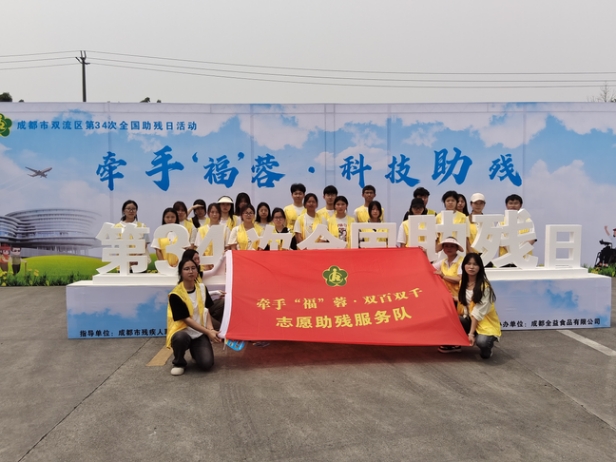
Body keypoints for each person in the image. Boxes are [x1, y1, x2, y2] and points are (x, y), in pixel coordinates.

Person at [166, 255, 222, 376]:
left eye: (193, 268)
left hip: (199, 333)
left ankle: (196, 353)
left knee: (207, 364)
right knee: (180, 338)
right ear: (181, 272)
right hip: (183, 331)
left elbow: (206, 310)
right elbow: (186, 320)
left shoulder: (202, 288)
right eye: (186, 269)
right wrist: (208, 332)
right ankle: (179, 363)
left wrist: (211, 329)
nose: (191, 271)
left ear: (197, 270)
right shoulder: (175, 294)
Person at [453, 253, 501, 359]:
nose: (471, 267)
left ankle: (487, 348)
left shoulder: (485, 287)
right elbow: (464, 301)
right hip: (470, 319)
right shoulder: (462, 283)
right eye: (468, 264)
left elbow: (477, 312)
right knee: (453, 320)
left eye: (475, 264)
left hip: (485, 323)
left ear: (480, 267)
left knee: (482, 343)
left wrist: (471, 334)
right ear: (464, 266)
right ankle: (455, 344)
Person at [433, 236, 465, 354]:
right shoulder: (444, 262)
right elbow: (429, 268)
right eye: (446, 246)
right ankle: (450, 342)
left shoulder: (461, 261)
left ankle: (456, 343)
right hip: (447, 297)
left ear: (457, 248)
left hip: (458, 297)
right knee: (447, 320)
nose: (449, 248)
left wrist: (443, 276)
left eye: (452, 246)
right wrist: (423, 253)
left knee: (456, 320)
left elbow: (459, 279)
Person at [115, 200, 149, 272]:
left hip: (139, 263)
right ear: (124, 211)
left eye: (133, 209)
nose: (131, 211)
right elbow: (117, 246)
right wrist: (128, 259)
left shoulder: (142, 226)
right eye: (128, 209)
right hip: (123, 264)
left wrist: (136, 258)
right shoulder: (117, 227)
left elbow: (145, 244)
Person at [194, 203, 228, 269]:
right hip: (205, 266)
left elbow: (227, 247)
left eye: (217, 212)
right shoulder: (201, 230)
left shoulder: (225, 229)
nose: (214, 214)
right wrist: (207, 263)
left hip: (221, 265)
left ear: (220, 214)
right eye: (212, 212)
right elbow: (199, 249)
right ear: (208, 213)